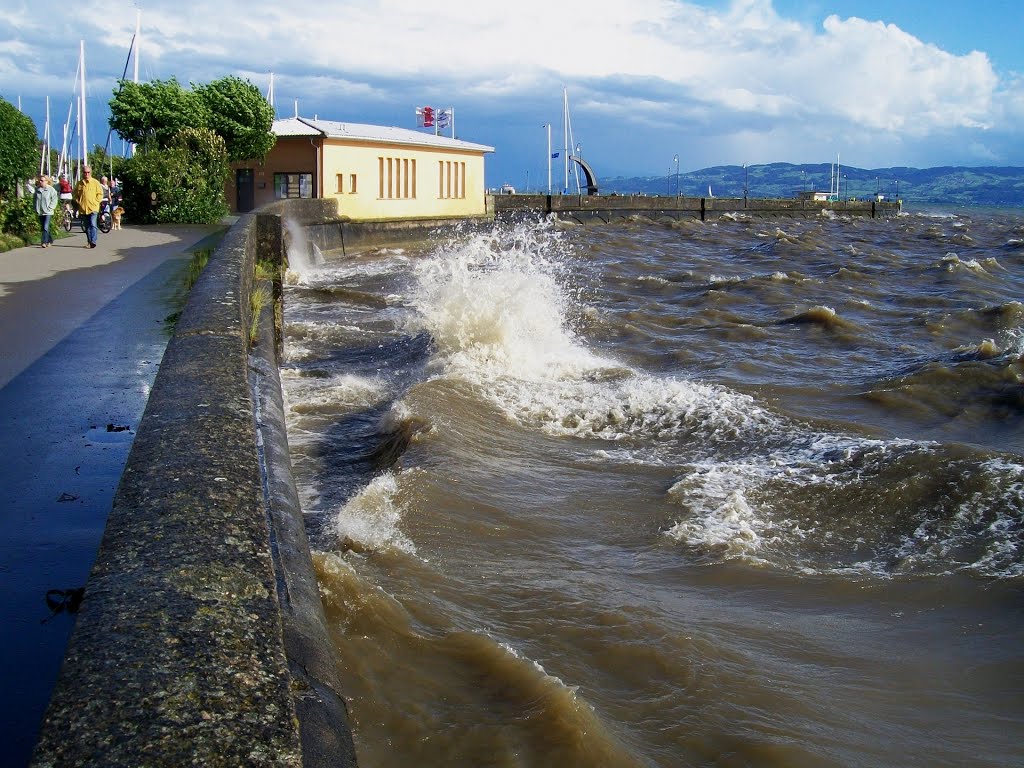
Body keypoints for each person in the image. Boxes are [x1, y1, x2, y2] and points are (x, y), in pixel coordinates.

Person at [73, 165, 104, 248]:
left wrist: (96, 201)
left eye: (88, 172)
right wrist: (78, 201)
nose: (86, 174)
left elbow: (100, 194)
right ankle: (89, 242)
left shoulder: (95, 182)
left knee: (93, 224)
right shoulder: (79, 183)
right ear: (82, 173)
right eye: (85, 172)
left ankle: (93, 241)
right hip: (83, 208)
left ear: (91, 173)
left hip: (93, 208)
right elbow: (75, 194)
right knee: (87, 226)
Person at [33, 174, 58, 248]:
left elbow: (54, 199)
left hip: (48, 212)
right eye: (40, 180)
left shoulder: (51, 190)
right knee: (44, 227)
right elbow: (35, 200)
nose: (41, 182)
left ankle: (44, 242)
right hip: (40, 211)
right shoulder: (37, 189)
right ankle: (50, 240)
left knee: (45, 227)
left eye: (42, 180)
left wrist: (50, 208)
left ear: (47, 181)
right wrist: (35, 208)